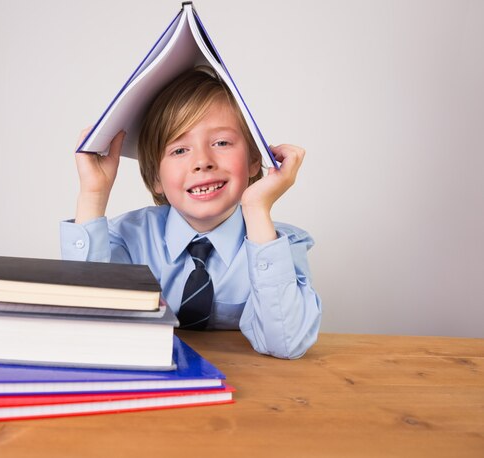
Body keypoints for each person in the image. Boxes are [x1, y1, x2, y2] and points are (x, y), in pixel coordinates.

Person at [61, 67, 321, 359]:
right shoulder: (127, 239)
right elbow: (88, 324)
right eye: (179, 150)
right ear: (155, 177)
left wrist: (257, 208)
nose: (202, 162)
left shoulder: (278, 246)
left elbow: (284, 343)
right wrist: (93, 195)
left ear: (252, 161)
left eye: (221, 143)